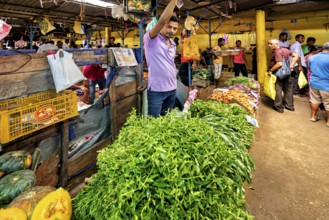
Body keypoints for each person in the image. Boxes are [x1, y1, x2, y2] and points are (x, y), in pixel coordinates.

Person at [144, 0, 179, 117]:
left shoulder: (173, 44)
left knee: (166, 120)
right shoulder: (151, 38)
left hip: (172, 88)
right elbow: (163, 19)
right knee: (153, 122)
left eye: (175, 29)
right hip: (156, 90)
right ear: (162, 26)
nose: (172, 31)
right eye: (169, 27)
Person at [267, 39, 299, 113]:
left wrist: (271, 70)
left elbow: (279, 64)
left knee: (278, 89)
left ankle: (278, 107)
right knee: (288, 89)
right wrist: (291, 65)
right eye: (268, 44)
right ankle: (290, 106)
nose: (269, 45)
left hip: (279, 73)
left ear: (277, 43)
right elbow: (296, 56)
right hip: (287, 72)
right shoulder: (285, 49)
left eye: (271, 44)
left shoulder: (277, 51)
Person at [307, 42, 329, 126]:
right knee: (328, 103)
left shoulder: (312, 57)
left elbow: (310, 68)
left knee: (314, 100)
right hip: (326, 84)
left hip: (314, 83)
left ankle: (313, 116)